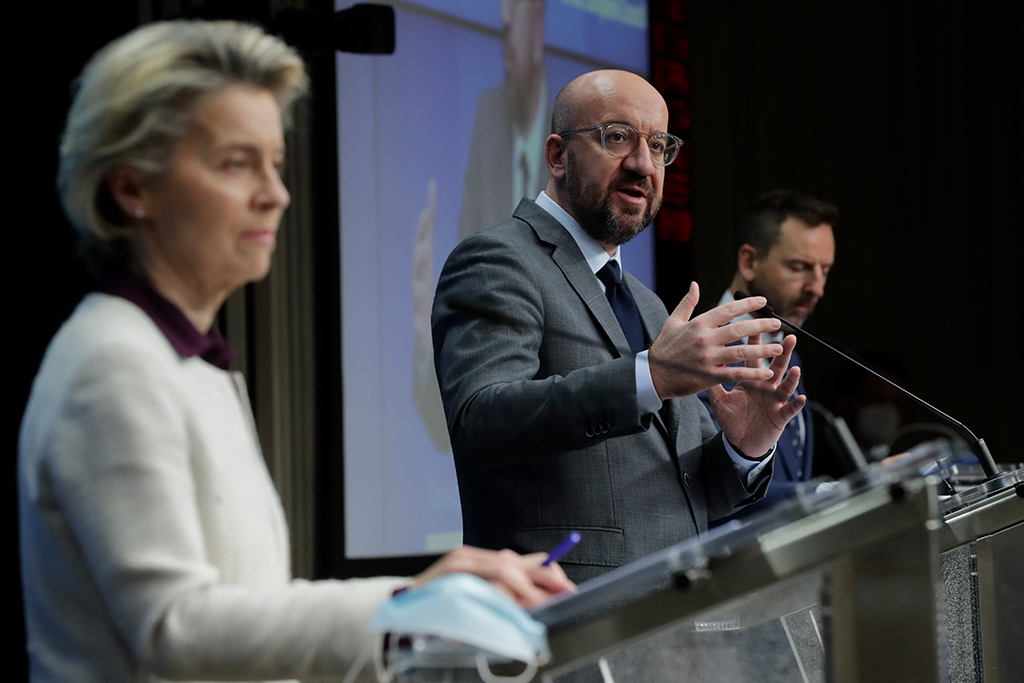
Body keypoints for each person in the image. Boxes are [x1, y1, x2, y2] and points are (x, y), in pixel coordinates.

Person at [18, 21, 572, 683]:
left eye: (275, 163)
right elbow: (175, 626)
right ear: (131, 188)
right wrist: (409, 605)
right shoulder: (113, 362)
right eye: (235, 163)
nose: (276, 193)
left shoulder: (186, 360)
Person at [431, 69, 806, 584]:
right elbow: (481, 420)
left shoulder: (652, 308)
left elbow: (695, 500)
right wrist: (648, 376)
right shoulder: (499, 260)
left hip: (673, 631)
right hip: (569, 623)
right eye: (617, 137)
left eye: (658, 145)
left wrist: (744, 447)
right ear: (557, 156)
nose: (642, 164)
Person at [413, 0, 550, 449]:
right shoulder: (491, 113)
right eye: (501, 19)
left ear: (539, 21)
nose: (504, 29)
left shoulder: (577, 127)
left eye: (516, 16)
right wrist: (425, 335)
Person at [700, 190, 838, 520]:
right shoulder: (703, 355)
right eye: (800, 267)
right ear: (749, 261)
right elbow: (703, 488)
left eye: (825, 270)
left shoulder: (787, 351)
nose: (817, 287)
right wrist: (827, 495)